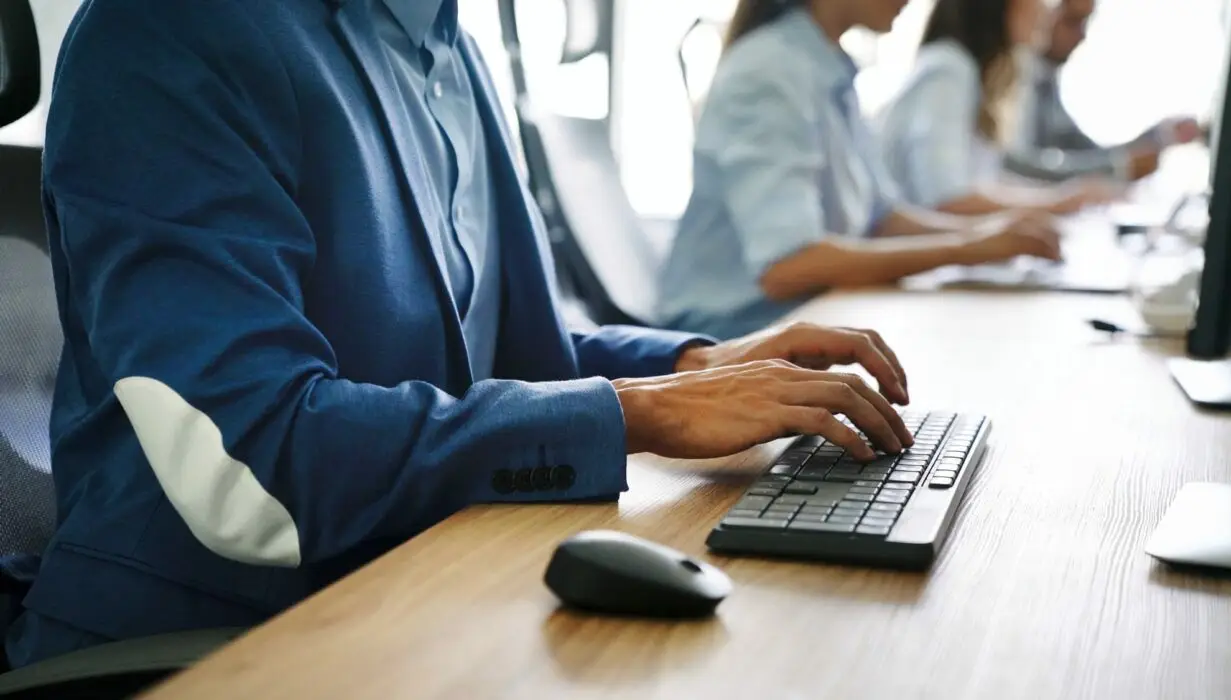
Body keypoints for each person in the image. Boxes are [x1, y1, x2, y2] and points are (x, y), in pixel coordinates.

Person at [2, 0, 921, 667]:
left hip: (424, 593)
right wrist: (640, 414)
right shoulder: (170, 32)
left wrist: (695, 366)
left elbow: (509, 359)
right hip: (217, 645)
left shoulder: (441, 42)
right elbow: (254, 474)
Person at [657, 0, 1062, 340]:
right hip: (733, 337)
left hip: (807, 318)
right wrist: (964, 249)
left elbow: (881, 217)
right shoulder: (770, 72)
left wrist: (989, 235)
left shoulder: (827, 66)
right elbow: (788, 265)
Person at [875, 0, 1122, 216]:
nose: (1045, 9)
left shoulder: (977, 77)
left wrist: (1065, 197)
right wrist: (1059, 203)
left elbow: (984, 183)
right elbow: (946, 200)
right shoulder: (947, 71)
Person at [1004, 0, 1203, 183]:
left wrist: (1160, 135)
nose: (1082, 36)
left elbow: (1083, 149)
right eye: (1073, 21)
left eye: (1086, 22)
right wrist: (1117, 169)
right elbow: (1014, 167)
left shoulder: (1044, 79)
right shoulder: (1008, 77)